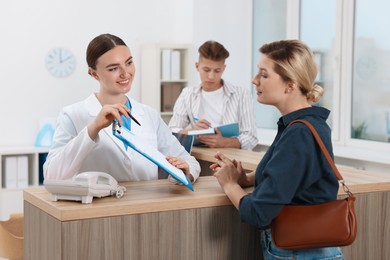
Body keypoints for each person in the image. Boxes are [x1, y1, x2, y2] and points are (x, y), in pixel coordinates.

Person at [211, 40, 344, 259]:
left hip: (299, 253)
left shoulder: (299, 133)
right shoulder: (304, 124)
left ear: (290, 85)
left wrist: (229, 184)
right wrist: (246, 178)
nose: (255, 80)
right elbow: (292, 177)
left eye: (263, 74)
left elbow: (258, 213)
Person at [44, 33, 200, 184]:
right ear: (94, 74)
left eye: (129, 62)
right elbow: (53, 176)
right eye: (113, 69)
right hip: (99, 209)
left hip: (147, 207)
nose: (126, 73)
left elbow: (189, 161)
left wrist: (185, 172)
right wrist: (93, 128)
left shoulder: (149, 115)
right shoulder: (72, 115)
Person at [168, 40, 258, 150]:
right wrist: (192, 131)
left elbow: (251, 137)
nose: (211, 76)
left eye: (217, 71)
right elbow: (171, 131)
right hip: (200, 157)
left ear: (224, 69)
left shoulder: (242, 95)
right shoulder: (187, 94)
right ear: (197, 66)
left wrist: (225, 142)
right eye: (206, 70)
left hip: (232, 158)